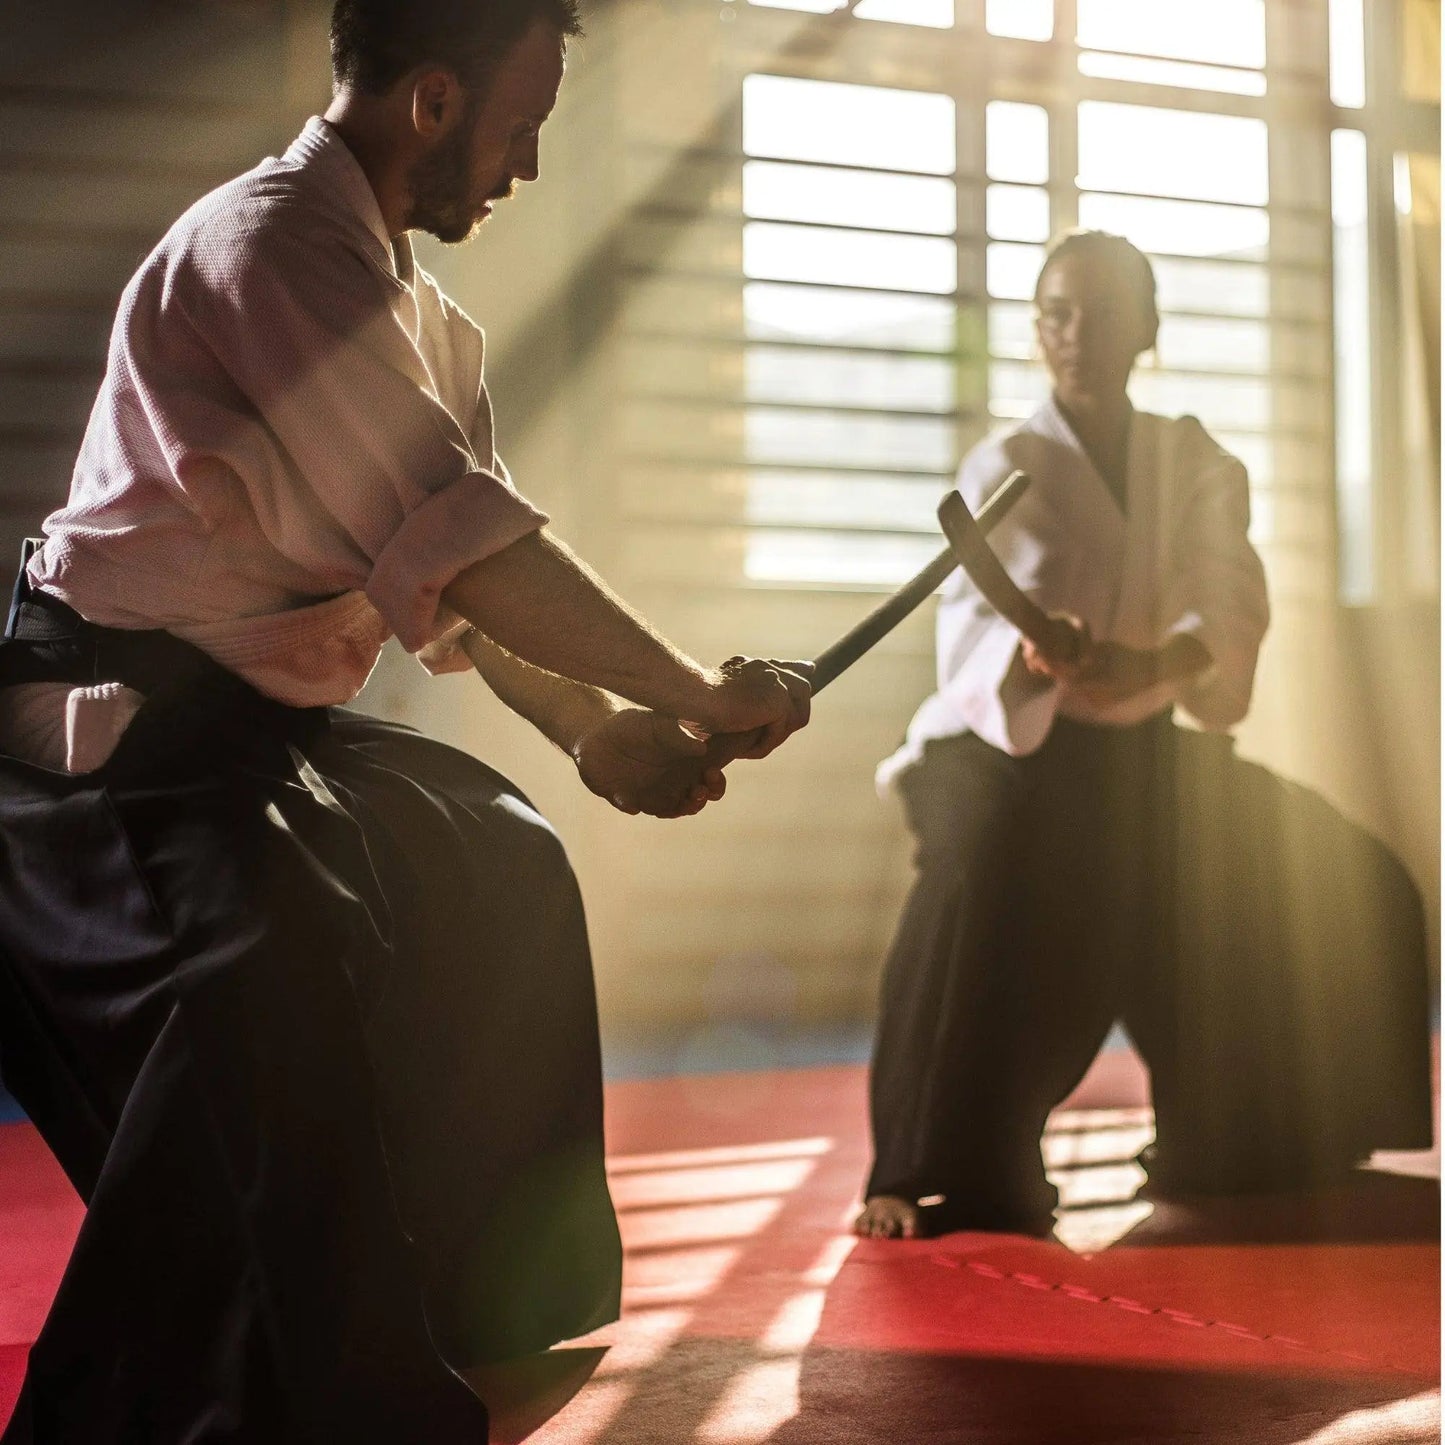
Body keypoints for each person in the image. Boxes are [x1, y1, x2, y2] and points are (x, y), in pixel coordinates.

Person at [0, 0, 812, 1438]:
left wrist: (587, 733)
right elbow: (475, 552)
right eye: (521, 126)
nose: (530, 165)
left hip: (250, 729)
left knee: (494, 856)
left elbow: (438, 581)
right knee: (279, 964)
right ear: (433, 102)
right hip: (110, 728)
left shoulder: (426, 318)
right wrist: (691, 689)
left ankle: (463, 1296)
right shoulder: (268, 252)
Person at [856, 230, 1434, 1242]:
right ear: (1037, 329)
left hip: (1142, 742)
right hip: (999, 746)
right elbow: (982, 630)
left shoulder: (1194, 458)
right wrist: (1042, 652)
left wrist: (1154, 662)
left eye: (1105, 313)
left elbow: (1226, 597)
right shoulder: (1006, 462)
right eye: (1057, 313)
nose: (1078, 335)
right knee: (982, 864)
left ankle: (1255, 1135)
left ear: (1148, 328)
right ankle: (933, 1167)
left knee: (1340, 869)